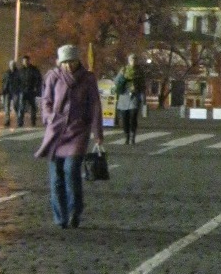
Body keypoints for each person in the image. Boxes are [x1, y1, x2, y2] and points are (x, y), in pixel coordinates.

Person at [35, 44, 104, 228]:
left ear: (77, 60)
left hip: (78, 130)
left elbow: (95, 105)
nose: (68, 65)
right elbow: (46, 100)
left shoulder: (87, 78)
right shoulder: (53, 76)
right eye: (65, 62)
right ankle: (61, 216)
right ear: (60, 62)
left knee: (71, 170)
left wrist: (97, 132)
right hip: (56, 131)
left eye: (71, 61)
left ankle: (75, 212)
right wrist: (49, 117)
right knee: (56, 177)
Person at [115, 54, 146, 145]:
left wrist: (143, 97)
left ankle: (132, 137)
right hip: (124, 96)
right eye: (132, 60)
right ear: (129, 61)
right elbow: (116, 82)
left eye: (135, 60)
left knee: (133, 117)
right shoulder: (124, 70)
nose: (133, 62)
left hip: (134, 96)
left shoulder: (139, 71)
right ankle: (127, 136)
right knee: (125, 118)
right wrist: (123, 77)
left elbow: (143, 85)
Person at [16, 55, 43, 126]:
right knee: (21, 107)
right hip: (22, 91)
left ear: (29, 61)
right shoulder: (20, 70)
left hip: (31, 90)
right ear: (22, 62)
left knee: (32, 107)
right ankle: (20, 122)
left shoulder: (34, 70)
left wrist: (36, 87)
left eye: (26, 61)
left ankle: (33, 121)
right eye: (24, 61)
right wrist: (19, 88)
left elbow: (38, 79)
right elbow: (17, 80)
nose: (25, 62)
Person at [1, 60, 21, 127]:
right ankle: (7, 120)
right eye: (11, 65)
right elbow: (4, 83)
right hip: (7, 92)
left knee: (16, 106)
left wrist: (19, 89)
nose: (12, 66)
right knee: (7, 107)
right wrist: (3, 92)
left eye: (13, 65)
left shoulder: (18, 73)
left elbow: (21, 82)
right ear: (9, 65)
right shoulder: (6, 73)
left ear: (15, 65)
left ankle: (19, 120)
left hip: (15, 92)